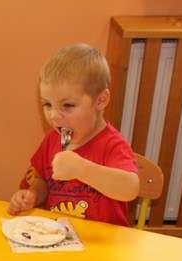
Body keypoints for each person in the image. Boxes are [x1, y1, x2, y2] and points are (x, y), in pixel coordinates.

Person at [8, 43, 139, 225]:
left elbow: (130, 188)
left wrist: (81, 169)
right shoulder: (54, 139)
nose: (53, 116)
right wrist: (33, 195)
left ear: (100, 100)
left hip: (103, 240)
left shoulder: (112, 144)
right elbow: (43, 180)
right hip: (58, 234)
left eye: (67, 105)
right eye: (47, 104)